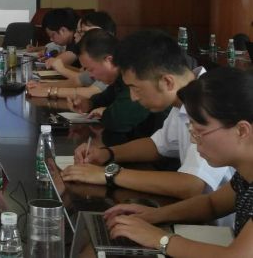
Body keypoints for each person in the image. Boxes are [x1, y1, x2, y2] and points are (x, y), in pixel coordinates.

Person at [61, 30, 233, 217]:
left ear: (167, 82)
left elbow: (192, 185)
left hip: (217, 225)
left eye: (135, 88)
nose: (133, 98)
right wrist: (107, 154)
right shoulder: (184, 98)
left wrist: (109, 174)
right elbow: (157, 145)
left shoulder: (211, 105)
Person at [104, 67, 253, 256]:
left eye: (200, 131)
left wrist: (160, 239)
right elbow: (212, 204)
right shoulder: (245, 175)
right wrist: (155, 215)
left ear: (241, 130)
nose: (193, 139)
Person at [67, 29, 169, 143]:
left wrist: (106, 113)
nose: (90, 75)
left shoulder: (137, 74)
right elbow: (106, 97)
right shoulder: (119, 78)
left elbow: (119, 120)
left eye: (90, 69)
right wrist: (89, 104)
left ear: (110, 61)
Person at [27, 11, 117, 100]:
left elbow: (91, 92)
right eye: (78, 31)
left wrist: (50, 91)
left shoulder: (112, 59)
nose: (76, 35)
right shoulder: (93, 55)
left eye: (83, 32)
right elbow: (78, 80)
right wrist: (42, 86)